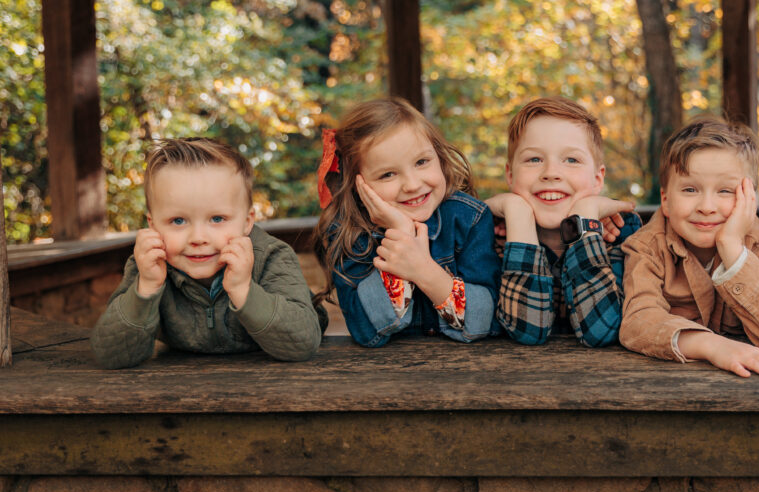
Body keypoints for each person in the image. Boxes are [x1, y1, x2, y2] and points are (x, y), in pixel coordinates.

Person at [91, 138, 325, 368]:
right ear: (153, 226)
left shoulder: (272, 257)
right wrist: (146, 289)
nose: (198, 238)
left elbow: (303, 343)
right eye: (178, 220)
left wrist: (244, 290)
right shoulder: (148, 267)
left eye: (217, 219)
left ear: (247, 222)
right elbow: (110, 356)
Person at [313, 97, 501, 347]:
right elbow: (368, 332)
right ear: (358, 185)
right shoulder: (347, 232)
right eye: (388, 174)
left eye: (422, 162)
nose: (412, 185)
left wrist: (421, 269)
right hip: (388, 378)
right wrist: (400, 233)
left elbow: (483, 321)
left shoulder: (469, 218)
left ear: (440, 157)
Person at [620, 119, 759, 377]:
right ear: (666, 200)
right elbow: (638, 321)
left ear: (749, 199)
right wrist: (711, 346)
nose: (706, 206)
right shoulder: (647, 246)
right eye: (690, 189)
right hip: (667, 382)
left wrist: (732, 248)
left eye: (725, 191)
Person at [486, 97, 640, 347]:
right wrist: (518, 215)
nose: (551, 173)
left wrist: (585, 218)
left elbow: (601, 330)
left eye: (571, 160)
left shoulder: (622, 233)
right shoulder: (492, 237)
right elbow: (528, 330)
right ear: (510, 175)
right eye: (534, 159)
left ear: (598, 179)